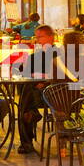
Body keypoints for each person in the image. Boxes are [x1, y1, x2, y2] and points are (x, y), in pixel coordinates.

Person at [14, 25, 70, 154]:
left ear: (51, 37)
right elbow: (26, 75)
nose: (37, 40)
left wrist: (45, 82)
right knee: (26, 92)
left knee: (26, 100)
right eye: (36, 37)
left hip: (56, 95)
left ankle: (27, 139)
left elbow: (63, 76)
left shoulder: (61, 53)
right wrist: (34, 81)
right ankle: (29, 116)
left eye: (40, 37)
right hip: (38, 93)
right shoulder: (35, 56)